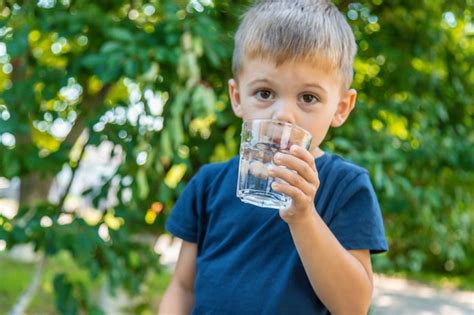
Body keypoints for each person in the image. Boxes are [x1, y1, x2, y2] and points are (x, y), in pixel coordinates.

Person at [158, 0, 388, 314]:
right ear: (238, 98)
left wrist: (303, 216)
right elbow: (183, 287)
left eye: (308, 97)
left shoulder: (346, 186)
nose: (284, 115)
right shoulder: (209, 184)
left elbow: (353, 306)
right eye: (265, 93)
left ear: (341, 108)